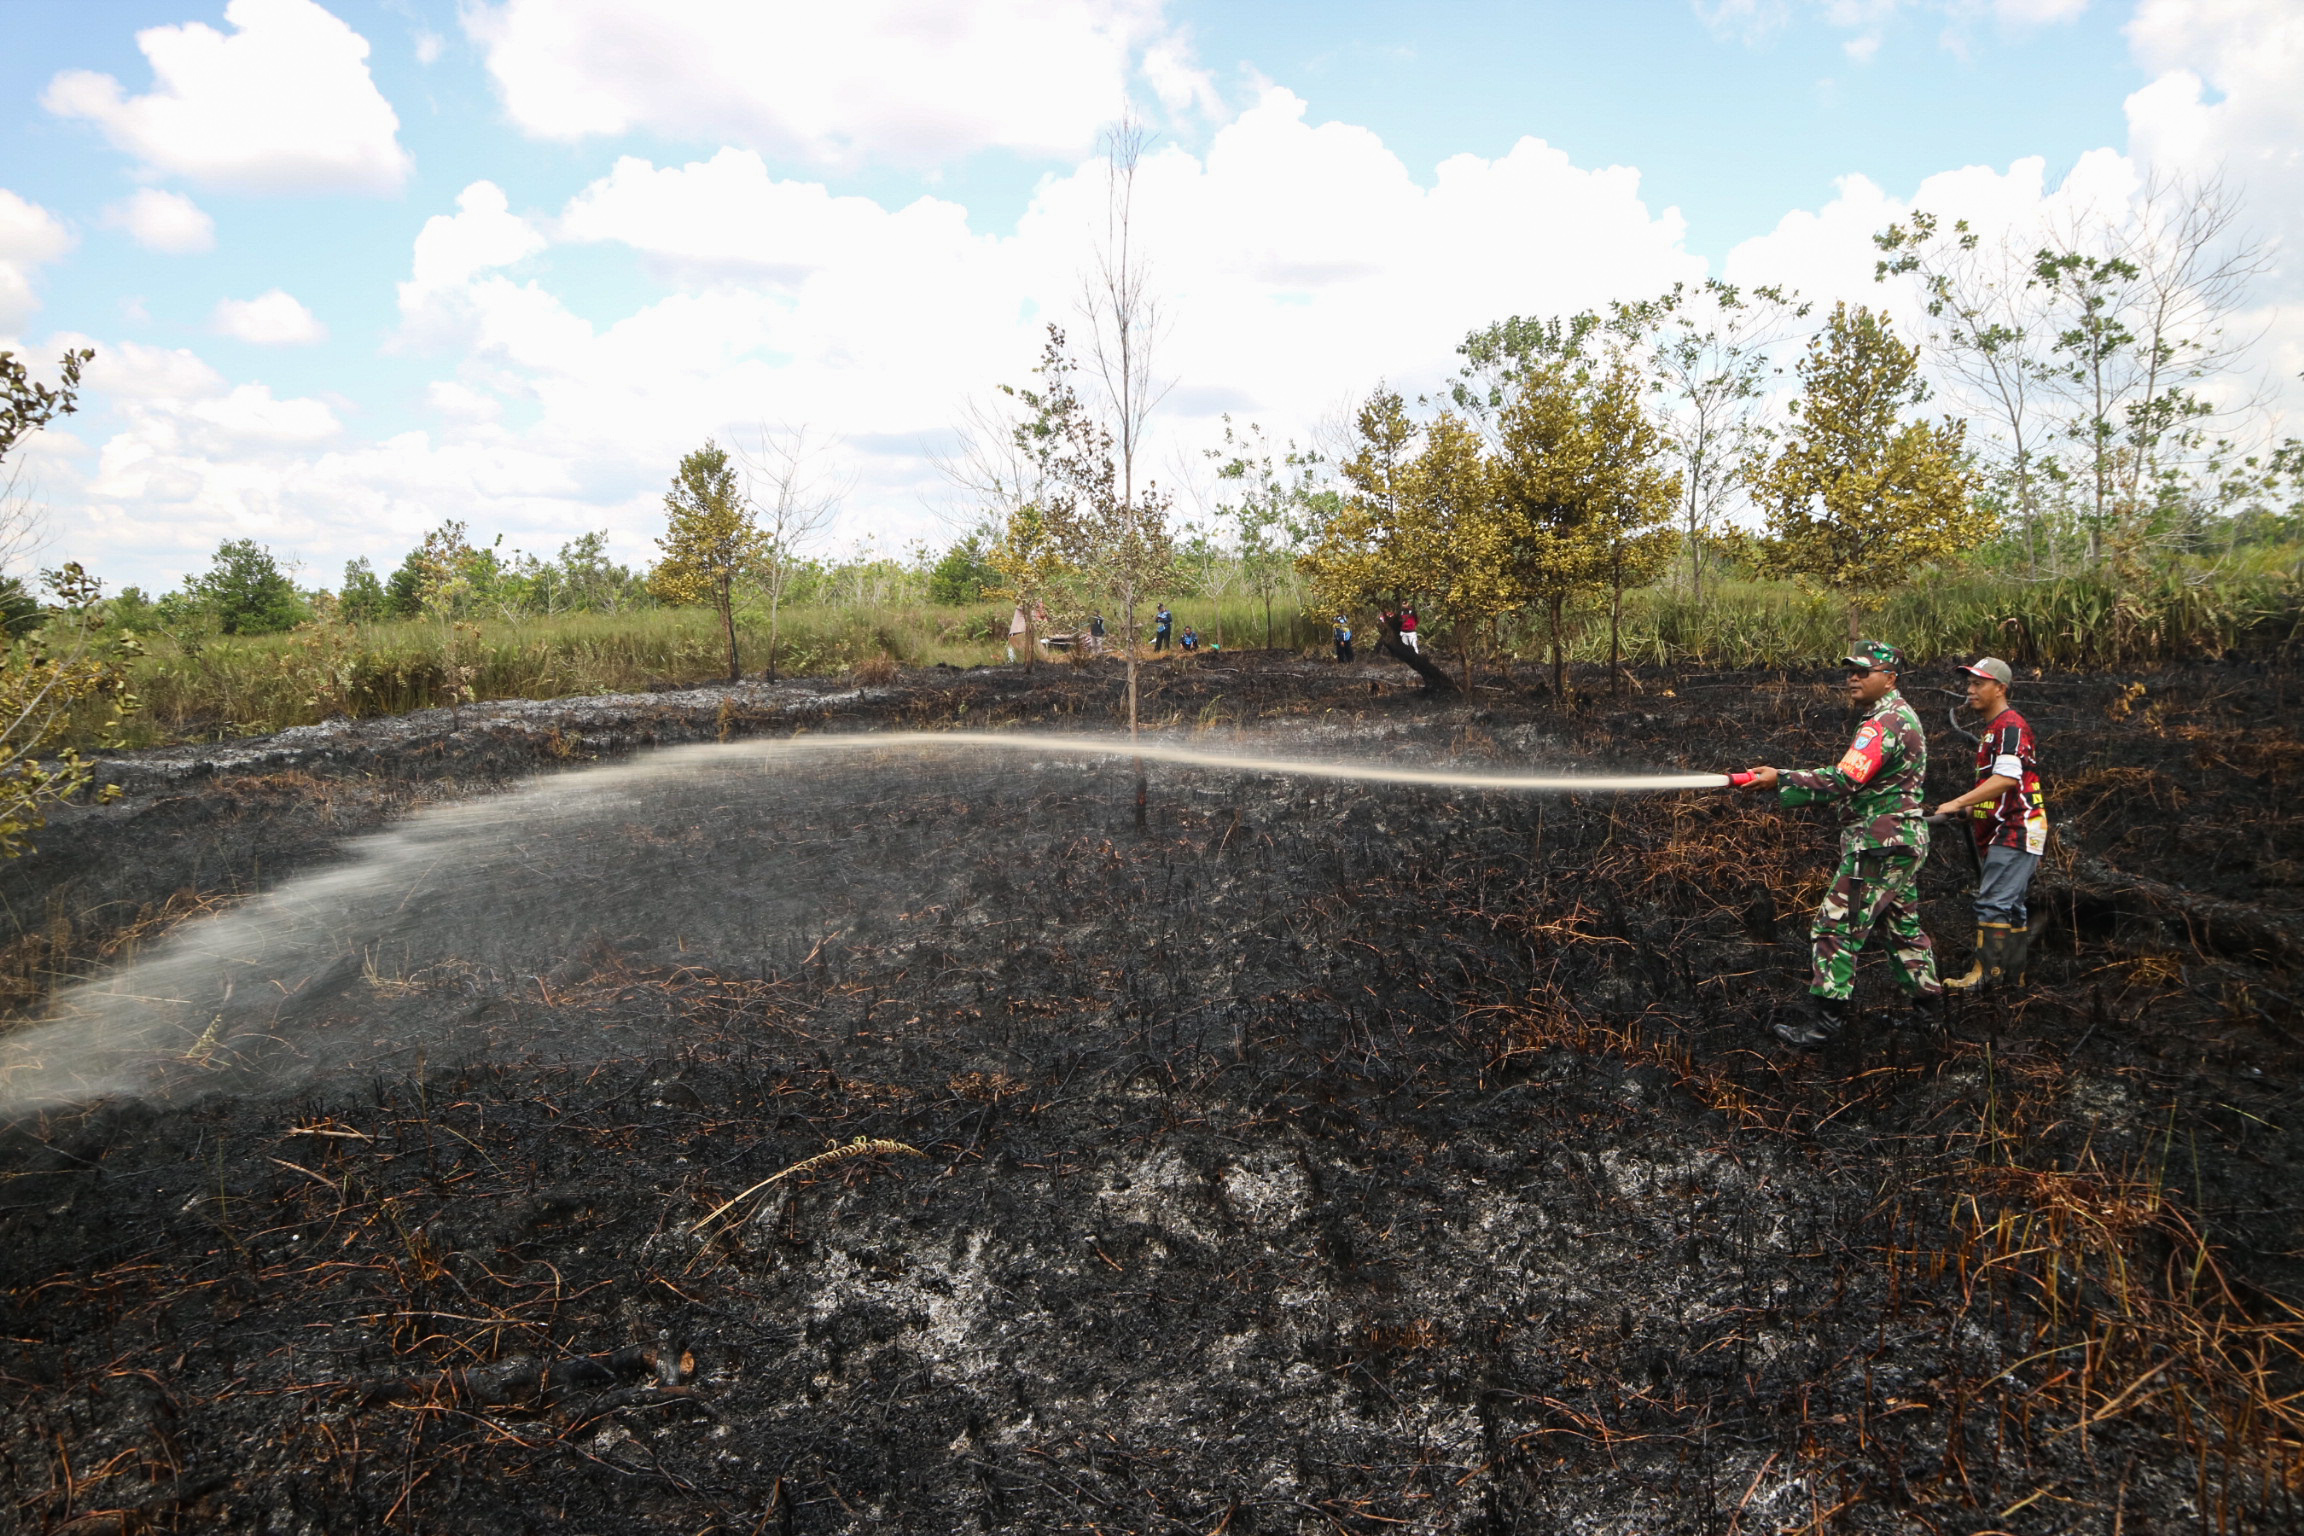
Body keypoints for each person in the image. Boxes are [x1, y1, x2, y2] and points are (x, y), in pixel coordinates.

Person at [1734, 640, 1943, 1049]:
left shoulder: (1882, 723)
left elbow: (1846, 778)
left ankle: (1826, 1026)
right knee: (1902, 929)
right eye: (1850, 670)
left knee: (1835, 925)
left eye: (1863, 672)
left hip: (1880, 844)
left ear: (1890, 679)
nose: (1852, 678)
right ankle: (1930, 1018)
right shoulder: (1898, 716)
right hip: (1900, 842)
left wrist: (1783, 779)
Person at [1933, 657, 2050, 991]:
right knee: (2010, 905)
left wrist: (1958, 801)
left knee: (1993, 903)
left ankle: (1986, 976)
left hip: (2016, 828)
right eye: (1968, 684)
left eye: (1978, 684)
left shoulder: (2009, 726)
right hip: (2011, 826)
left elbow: (2007, 779)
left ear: (2000, 688)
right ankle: (2012, 978)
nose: (1970, 691)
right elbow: (2004, 787)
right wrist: (1970, 812)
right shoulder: (1995, 729)